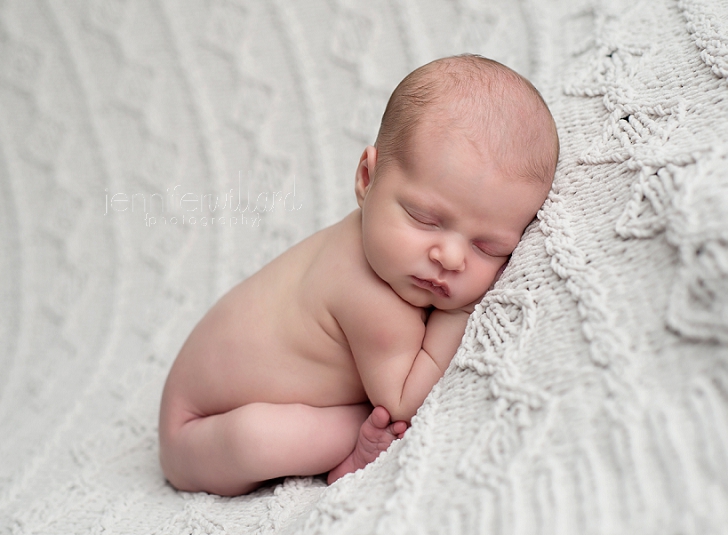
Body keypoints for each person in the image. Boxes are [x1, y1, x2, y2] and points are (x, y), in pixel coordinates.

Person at [158, 54, 559, 496]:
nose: (449, 257)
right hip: (195, 435)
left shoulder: (385, 250)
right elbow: (404, 400)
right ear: (367, 179)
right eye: (424, 218)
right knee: (256, 438)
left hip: (214, 402)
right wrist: (462, 308)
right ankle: (348, 451)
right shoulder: (369, 294)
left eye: (488, 248)